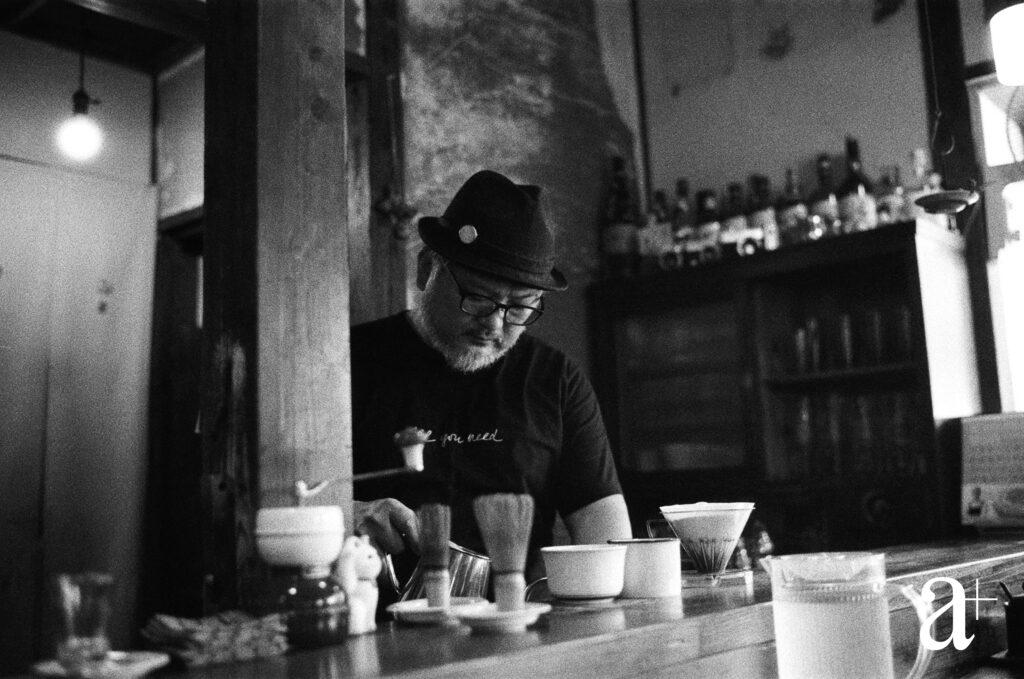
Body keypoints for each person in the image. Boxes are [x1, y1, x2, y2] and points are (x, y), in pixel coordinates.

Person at [350, 169, 631, 580]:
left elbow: (609, 538)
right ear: (428, 269)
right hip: (379, 628)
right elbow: (286, 505)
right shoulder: (348, 363)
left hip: (522, 625)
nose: (495, 326)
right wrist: (347, 513)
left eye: (520, 308)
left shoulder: (554, 380)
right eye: (479, 298)